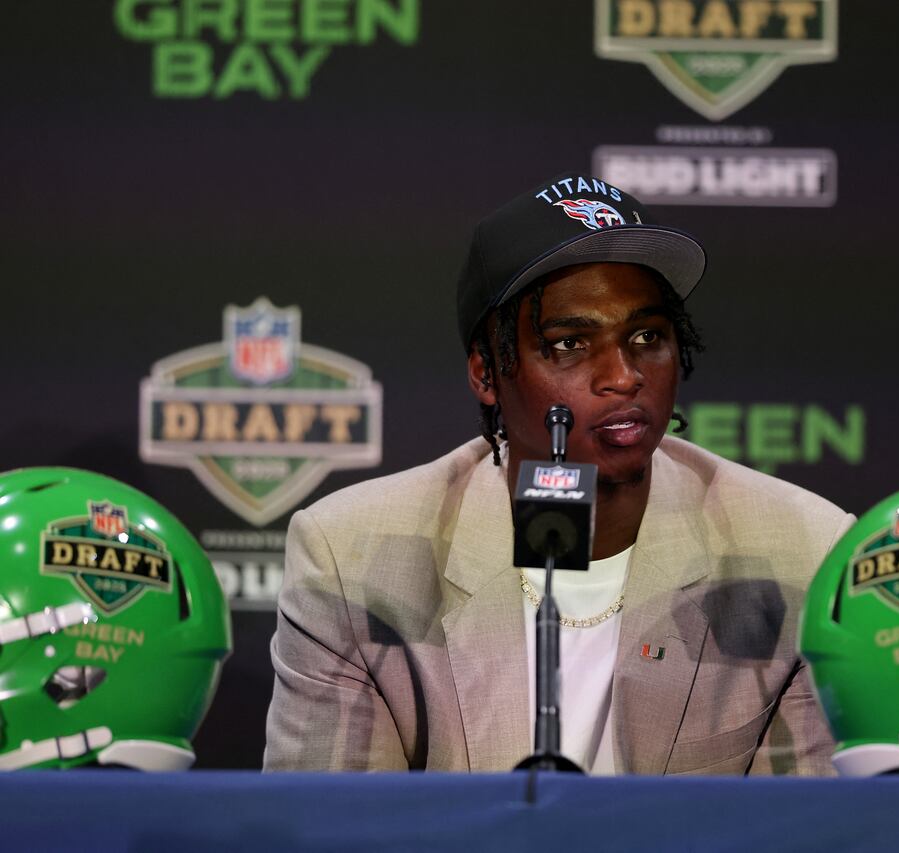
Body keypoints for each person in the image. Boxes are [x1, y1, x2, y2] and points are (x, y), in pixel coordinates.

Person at [264, 173, 852, 774]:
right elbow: (326, 828)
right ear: (487, 373)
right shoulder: (354, 558)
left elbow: (804, 831)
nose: (623, 376)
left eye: (647, 336)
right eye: (569, 345)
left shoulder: (801, 552)